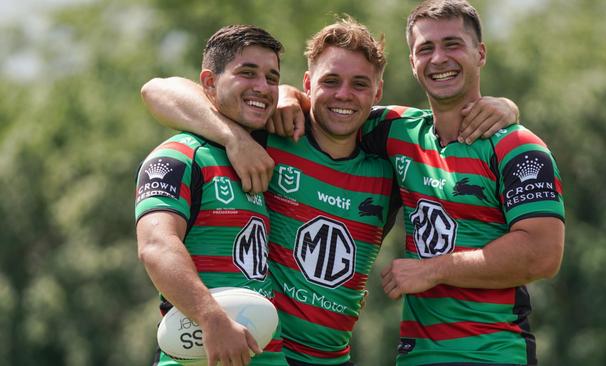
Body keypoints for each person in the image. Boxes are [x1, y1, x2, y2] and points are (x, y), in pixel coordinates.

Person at [140, 17, 519, 366]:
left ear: (377, 91)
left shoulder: (390, 159)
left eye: (359, 84)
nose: (343, 95)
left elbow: (443, 128)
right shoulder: (271, 134)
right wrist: (235, 137)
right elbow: (158, 90)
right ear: (307, 84)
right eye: (330, 81)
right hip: (262, 349)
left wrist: (504, 106)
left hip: (334, 358)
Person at [358, 1, 565, 365]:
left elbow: (543, 254)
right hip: (415, 356)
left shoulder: (518, 147)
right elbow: (324, 108)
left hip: (494, 355)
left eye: (452, 44)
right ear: (412, 62)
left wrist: (434, 269)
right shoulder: (396, 131)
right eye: (425, 48)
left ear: (480, 53)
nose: (439, 58)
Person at [135, 25, 287, 366]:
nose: (262, 87)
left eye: (271, 77)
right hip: (200, 355)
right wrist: (211, 318)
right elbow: (156, 246)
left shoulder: (267, 152)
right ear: (209, 83)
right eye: (247, 73)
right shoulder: (177, 156)